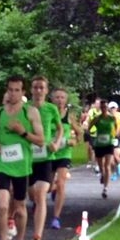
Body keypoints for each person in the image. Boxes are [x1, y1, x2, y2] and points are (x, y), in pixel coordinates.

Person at [0, 75, 44, 240]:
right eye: (10, 90)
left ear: (23, 92)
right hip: (2, 164)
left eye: (17, 90)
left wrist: (22, 132)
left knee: (19, 206)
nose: (13, 93)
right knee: (3, 205)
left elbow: (41, 140)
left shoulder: (31, 112)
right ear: (7, 91)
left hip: (21, 165)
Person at [28, 76, 63, 240]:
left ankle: (37, 237)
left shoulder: (51, 109)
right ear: (31, 90)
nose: (39, 91)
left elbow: (60, 128)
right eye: (36, 87)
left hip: (46, 157)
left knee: (41, 194)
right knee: (32, 195)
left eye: (42, 87)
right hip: (27, 159)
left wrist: (56, 143)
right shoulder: (25, 109)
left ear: (46, 90)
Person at [50, 88, 82, 230]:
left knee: (61, 183)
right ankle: (53, 189)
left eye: (62, 97)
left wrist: (75, 141)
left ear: (66, 100)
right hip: (49, 153)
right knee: (48, 186)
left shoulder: (70, 116)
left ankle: (56, 217)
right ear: (52, 99)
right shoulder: (46, 114)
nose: (60, 100)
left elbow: (79, 132)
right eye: (57, 97)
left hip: (64, 153)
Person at [89, 100, 117, 198]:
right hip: (99, 144)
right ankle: (102, 174)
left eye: (105, 107)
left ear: (107, 107)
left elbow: (116, 127)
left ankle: (105, 189)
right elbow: (89, 127)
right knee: (101, 166)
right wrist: (92, 137)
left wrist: (114, 135)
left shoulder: (112, 118)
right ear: (100, 108)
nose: (104, 108)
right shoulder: (97, 118)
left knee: (107, 166)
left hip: (109, 144)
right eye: (102, 107)